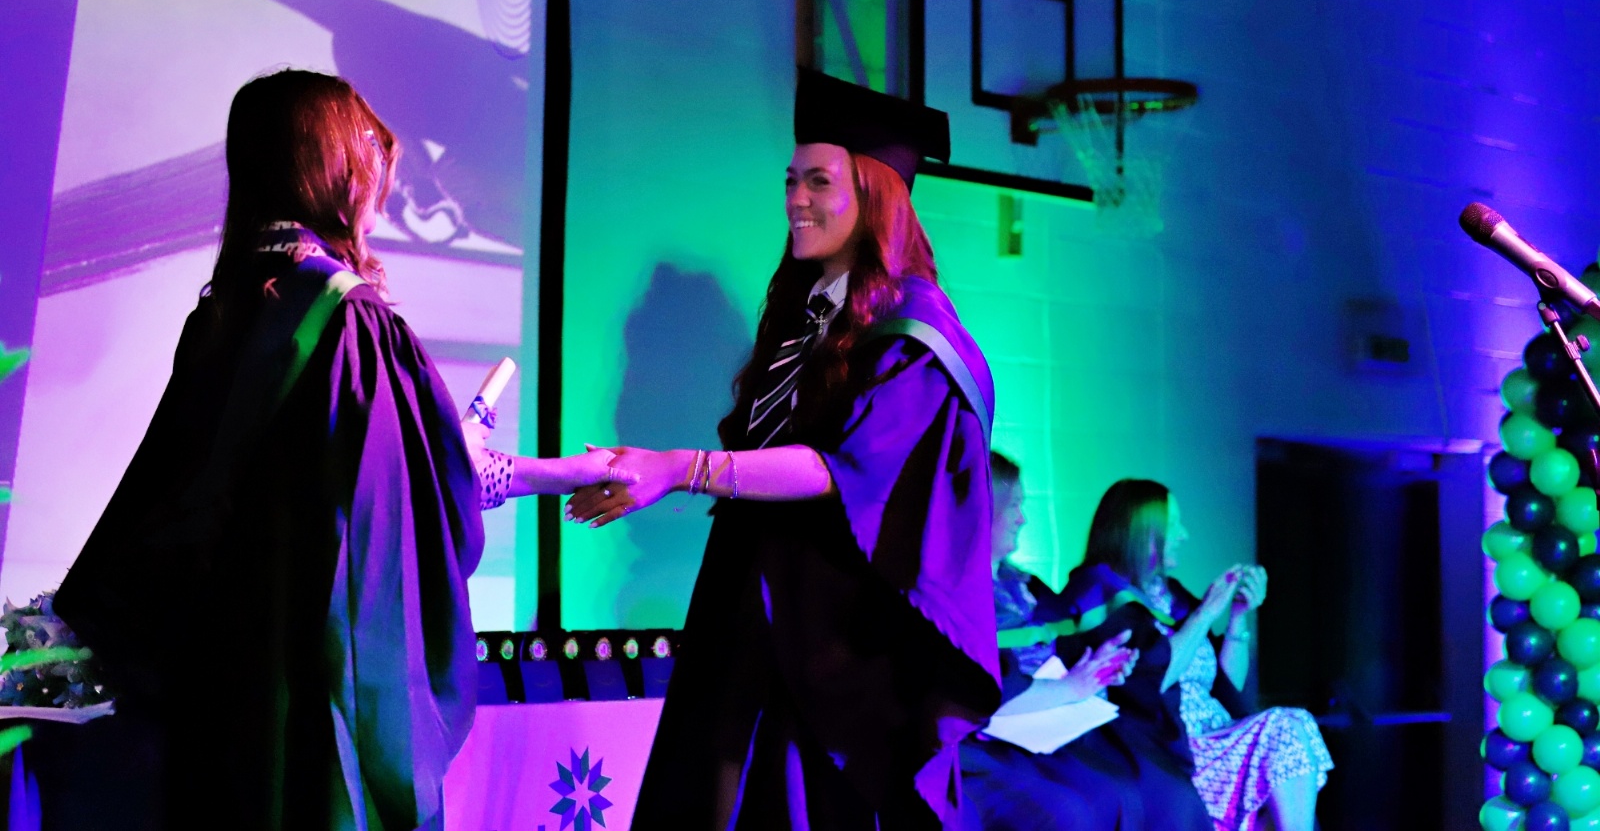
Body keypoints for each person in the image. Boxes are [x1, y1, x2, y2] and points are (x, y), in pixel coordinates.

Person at [52, 70, 612, 830]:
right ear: (329, 164)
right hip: (305, 688)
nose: (383, 175)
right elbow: (406, 516)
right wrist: (552, 472)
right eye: (368, 151)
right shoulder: (349, 321)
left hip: (213, 684)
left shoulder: (225, 308)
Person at [567, 68, 1000, 829]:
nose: (796, 199)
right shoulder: (808, 319)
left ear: (875, 195)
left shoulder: (915, 335)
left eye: (819, 181)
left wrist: (680, 470)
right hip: (749, 608)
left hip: (834, 646)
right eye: (791, 181)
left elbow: (846, 473)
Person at [961, 453, 1217, 830]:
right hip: (1003, 734)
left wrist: (1098, 666)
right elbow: (993, 683)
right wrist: (1075, 683)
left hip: (1061, 716)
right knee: (1098, 799)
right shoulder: (960, 595)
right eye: (1015, 505)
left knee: (1166, 792)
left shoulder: (1027, 587)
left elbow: (1065, 651)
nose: (1022, 518)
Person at [1059, 479, 1332, 831]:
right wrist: (1205, 614)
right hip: (1170, 748)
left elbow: (1225, 687)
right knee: (1287, 728)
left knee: (1291, 732)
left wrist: (1237, 616)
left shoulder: (1171, 595)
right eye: (1173, 525)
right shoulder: (1098, 593)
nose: (1184, 535)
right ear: (1142, 531)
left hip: (1219, 736)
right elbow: (1150, 682)